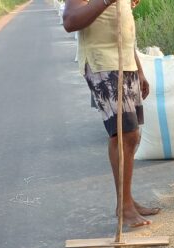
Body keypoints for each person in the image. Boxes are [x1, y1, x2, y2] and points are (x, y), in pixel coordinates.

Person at [63, 0, 159, 228]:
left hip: (126, 63)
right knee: (123, 133)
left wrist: (139, 69)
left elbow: (122, 28)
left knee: (131, 135)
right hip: (103, 63)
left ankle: (127, 201)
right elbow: (70, 21)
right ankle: (124, 208)